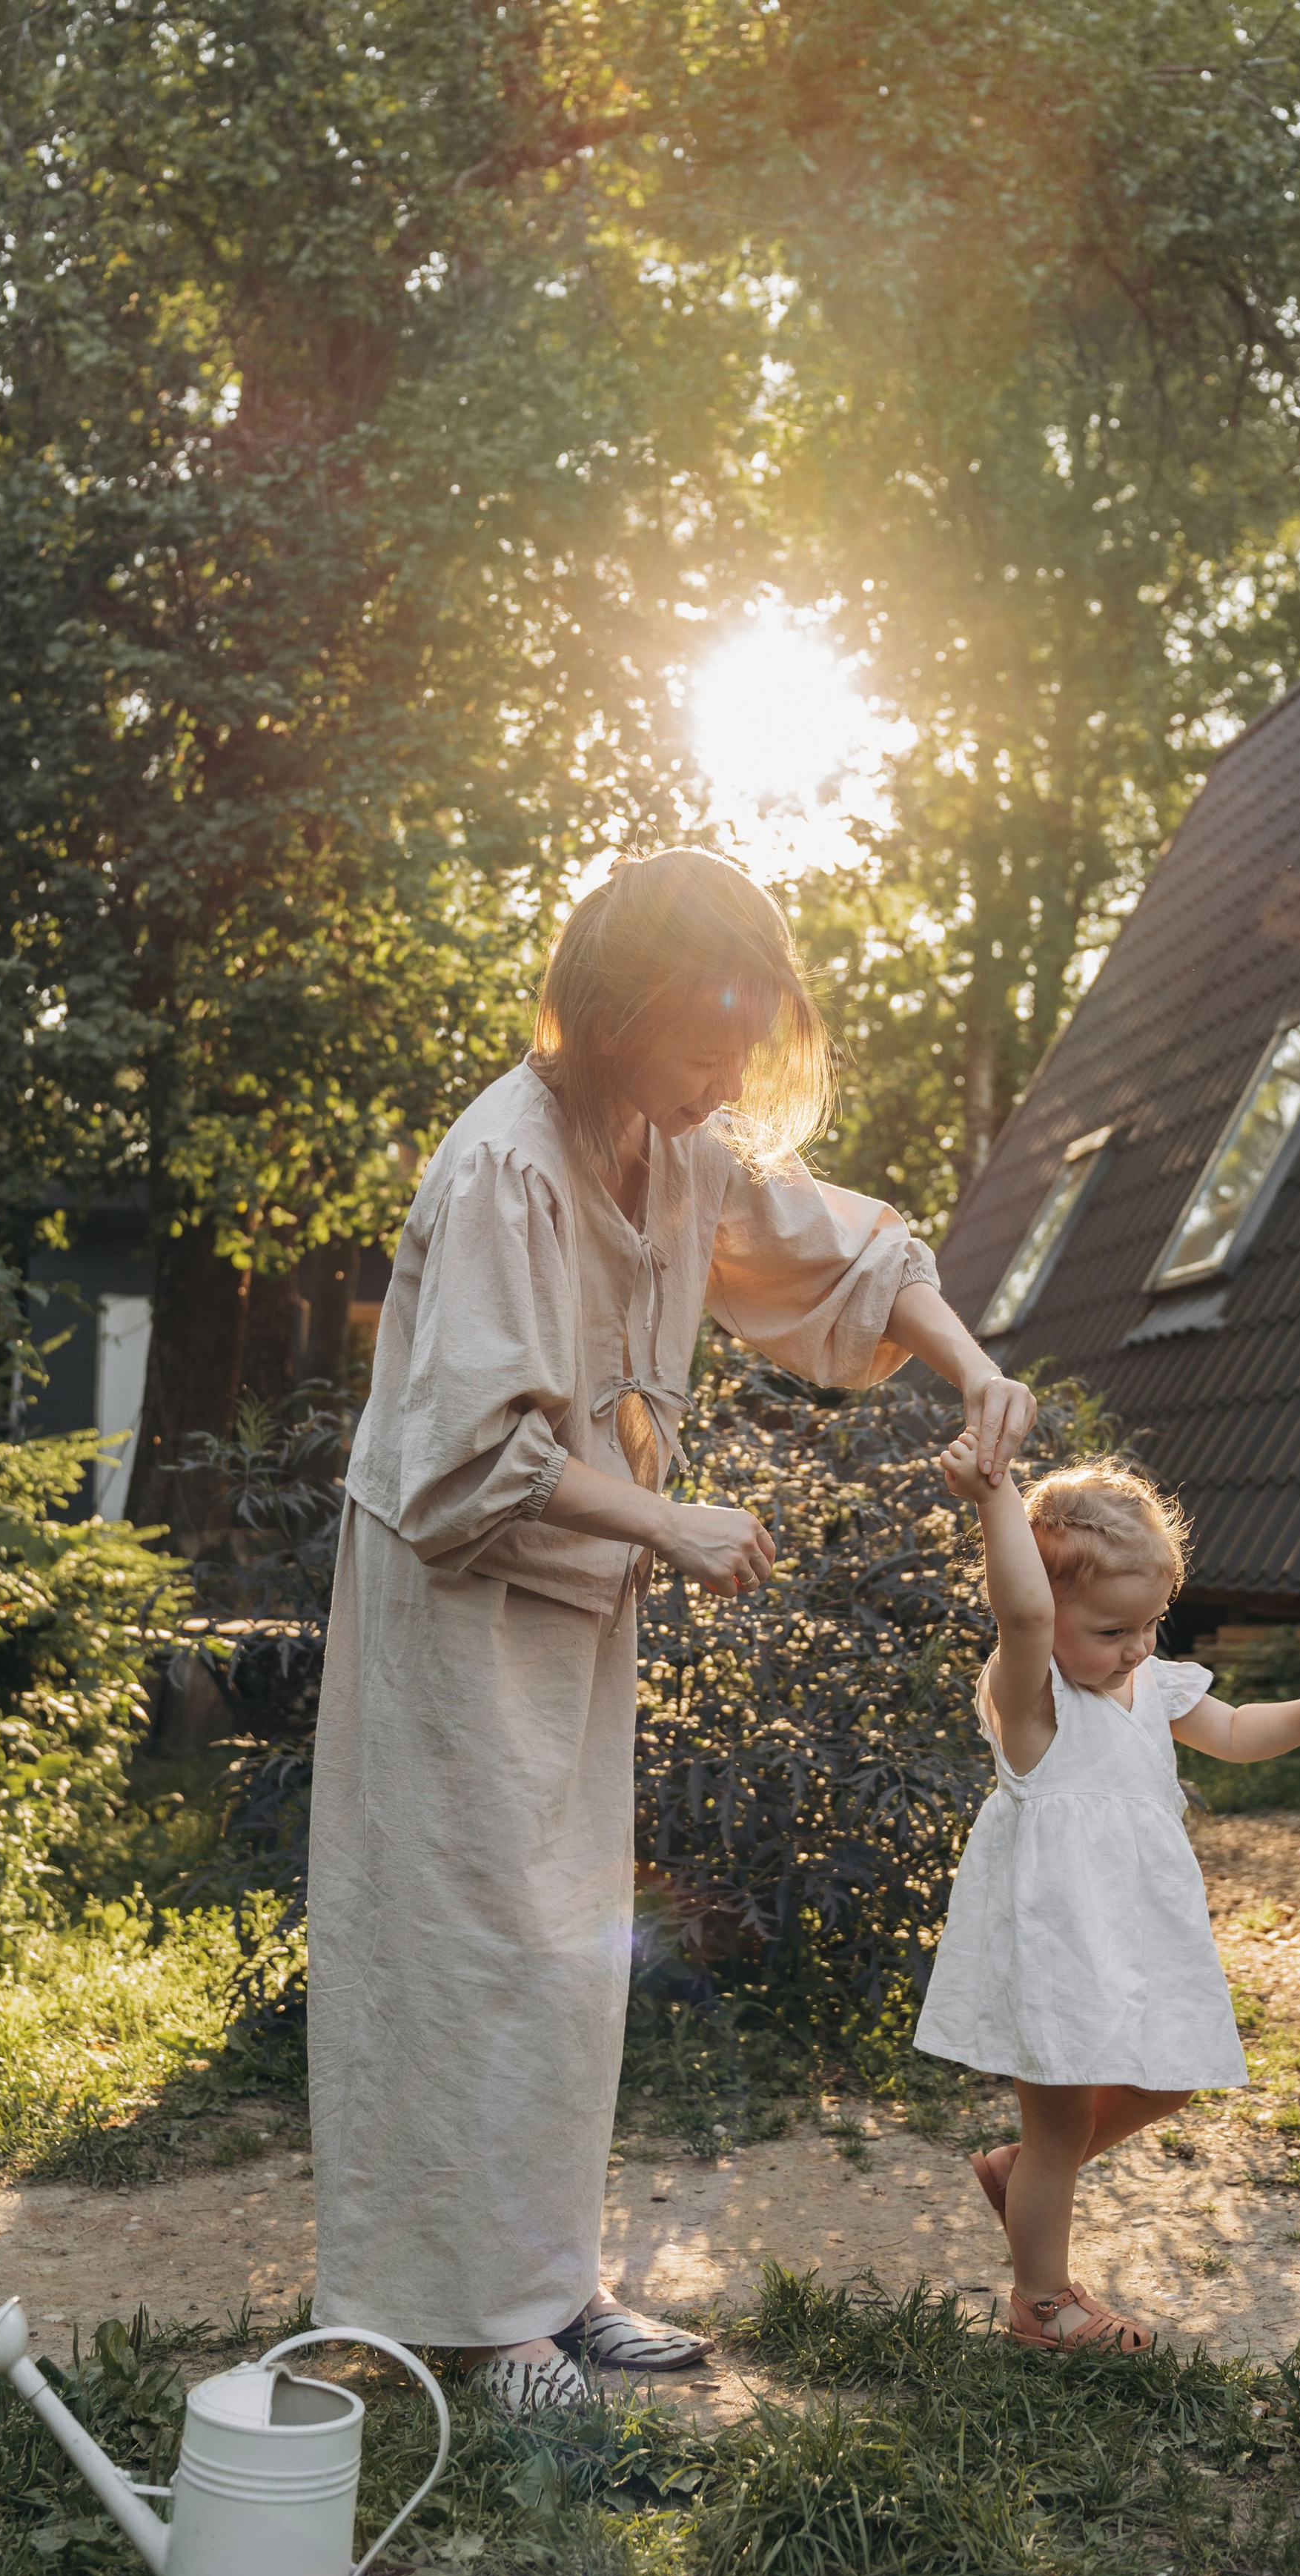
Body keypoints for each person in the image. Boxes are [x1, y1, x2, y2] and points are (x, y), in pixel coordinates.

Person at [308, 849, 1035, 2412]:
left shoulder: (679, 1148)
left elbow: (855, 1256)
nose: (726, 1082)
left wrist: (973, 1372)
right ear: (608, 1013)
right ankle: (479, 2324)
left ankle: (557, 2287)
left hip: (572, 1597)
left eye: (743, 1049)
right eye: (703, 1048)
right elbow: (468, 1456)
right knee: (464, 1944)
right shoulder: (503, 1164)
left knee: (570, 1949)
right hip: (452, 1599)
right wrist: (669, 1523)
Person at [915, 1436, 1300, 2351]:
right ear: (1056, 1616)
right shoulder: (1032, 1698)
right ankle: (1040, 2305)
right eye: (1110, 1631)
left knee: (1169, 2081)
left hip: (1135, 1928)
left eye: (1149, 1623)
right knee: (1062, 2118)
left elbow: (1236, 1731)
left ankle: (1020, 2173)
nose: (1134, 1649)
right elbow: (1021, 1609)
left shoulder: (1151, 1685)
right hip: (1055, 1935)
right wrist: (995, 1502)